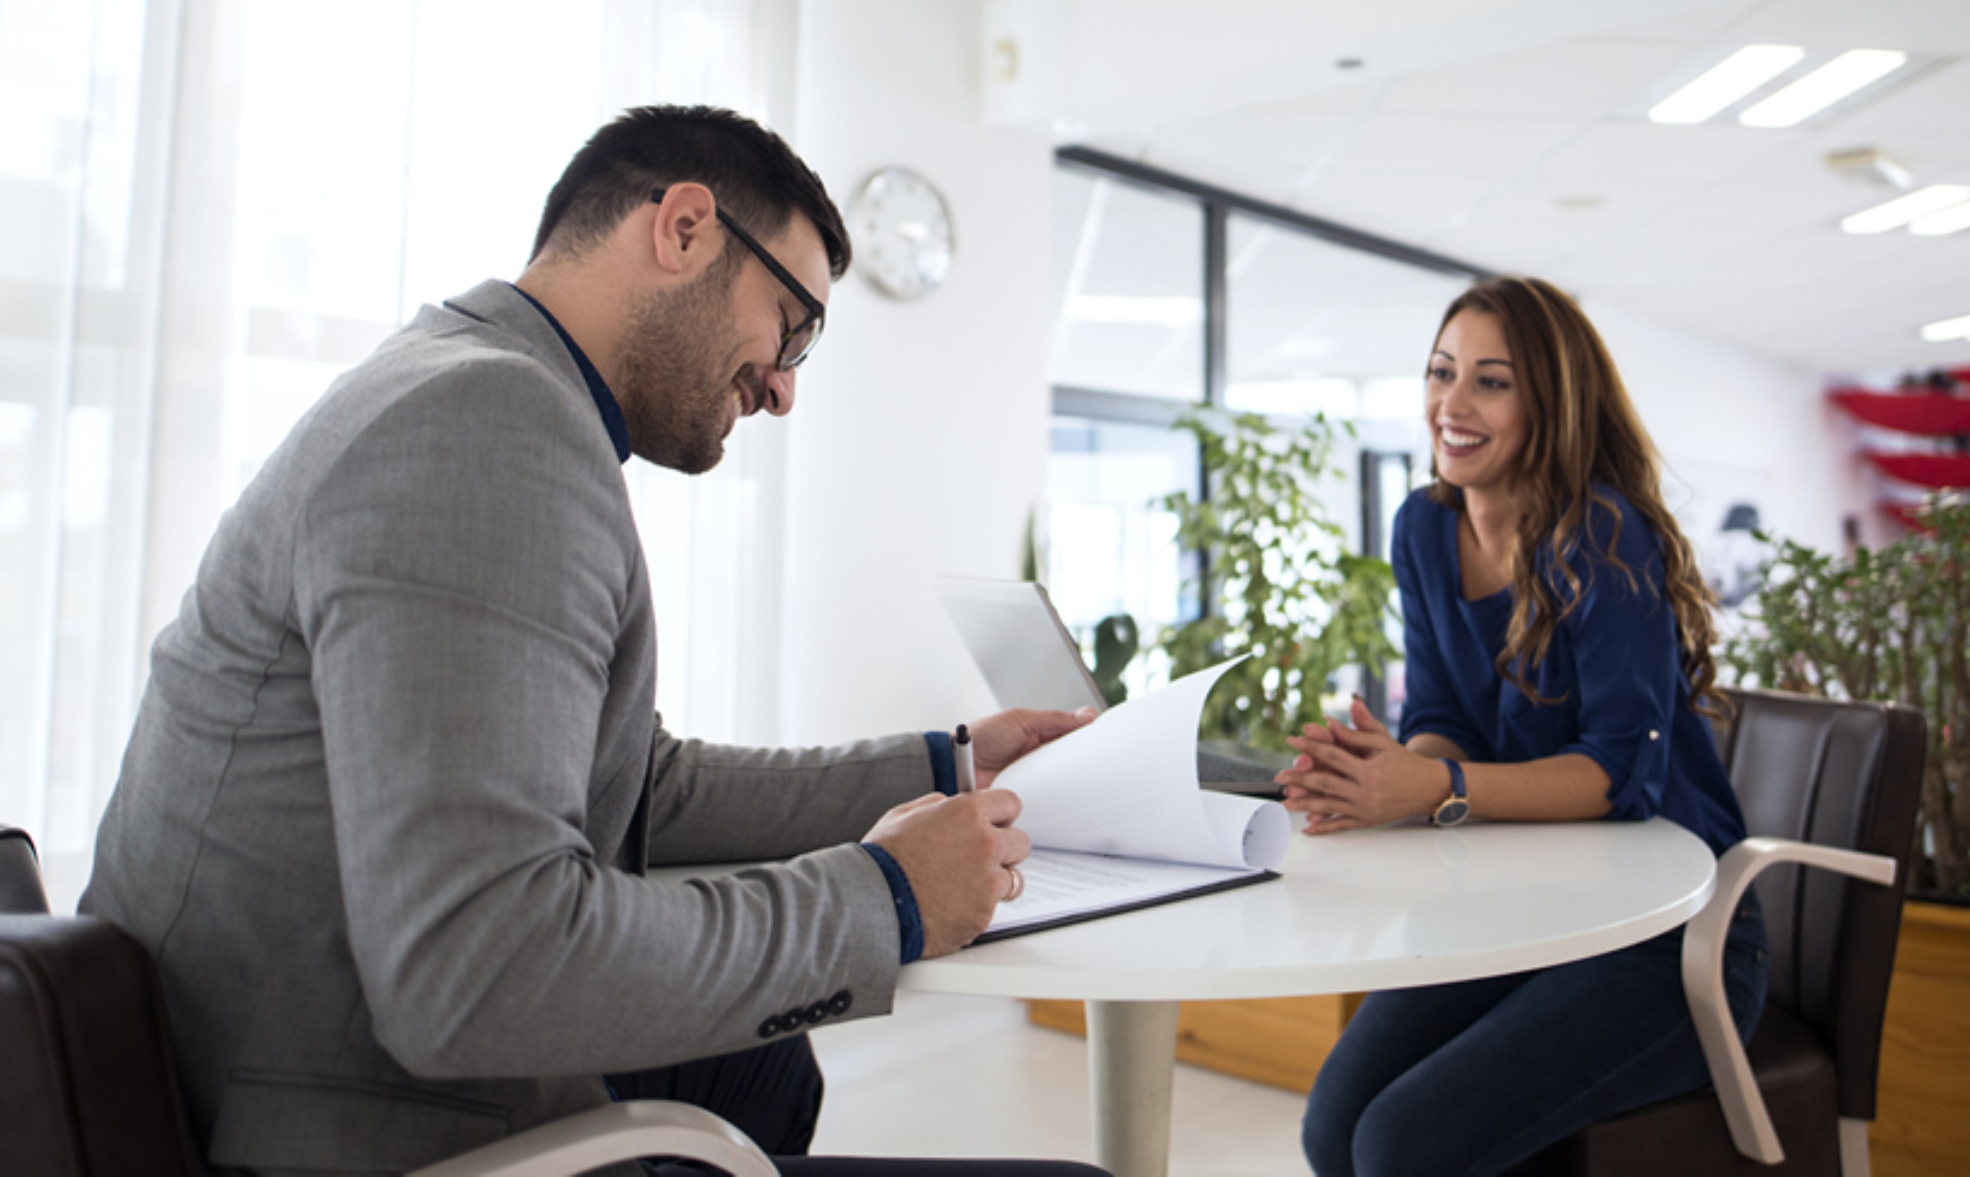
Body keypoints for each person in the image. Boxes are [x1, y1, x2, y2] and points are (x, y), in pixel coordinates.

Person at [80, 106, 1100, 1177]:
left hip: (261, 1048)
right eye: (791, 326)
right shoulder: (485, 425)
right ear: (685, 229)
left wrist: (949, 765)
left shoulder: (461, 378)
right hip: (334, 1118)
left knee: (766, 1070)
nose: (786, 387)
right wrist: (884, 896)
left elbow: (635, 782)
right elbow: (476, 966)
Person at [1279, 275, 1766, 1177]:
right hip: (1525, 910)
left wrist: (1433, 787)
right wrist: (1387, 773)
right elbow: (1441, 717)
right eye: (1440, 371)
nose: (1450, 405)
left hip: (1670, 937)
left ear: (1550, 402)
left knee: (1401, 1145)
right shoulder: (1423, 527)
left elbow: (1623, 774)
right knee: (1332, 1125)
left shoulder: (1604, 536)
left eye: (1490, 382)